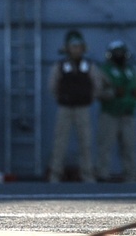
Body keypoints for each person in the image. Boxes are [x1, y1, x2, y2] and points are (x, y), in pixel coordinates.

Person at [48, 30, 106, 183]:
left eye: (79, 46)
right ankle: (55, 175)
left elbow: (97, 84)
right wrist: (61, 98)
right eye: (73, 47)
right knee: (59, 143)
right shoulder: (60, 66)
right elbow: (52, 86)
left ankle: (88, 176)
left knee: (86, 143)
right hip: (65, 108)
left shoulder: (89, 66)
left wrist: (89, 98)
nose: (76, 50)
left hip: (82, 108)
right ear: (67, 48)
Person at [97, 40, 136, 183]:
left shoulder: (130, 70)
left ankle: (131, 176)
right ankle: (102, 175)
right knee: (105, 146)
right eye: (116, 52)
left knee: (129, 147)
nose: (119, 55)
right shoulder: (104, 70)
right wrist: (113, 93)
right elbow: (99, 91)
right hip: (110, 114)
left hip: (128, 114)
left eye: (121, 52)